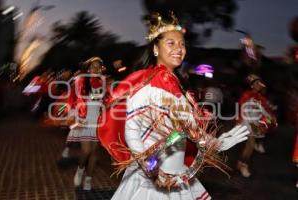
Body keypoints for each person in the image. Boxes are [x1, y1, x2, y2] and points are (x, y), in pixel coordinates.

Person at [99, 12, 249, 200]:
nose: (179, 48)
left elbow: (193, 133)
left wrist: (218, 143)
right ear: (155, 48)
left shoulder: (183, 93)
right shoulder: (145, 85)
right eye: (171, 43)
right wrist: (150, 169)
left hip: (181, 179)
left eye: (182, 43)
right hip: (150, 182)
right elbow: (132, 131)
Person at [66, 57, 106, 190]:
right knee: (86, 151)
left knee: (95, 153)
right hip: (84, 120)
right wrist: (73, 116)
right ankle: (80, 169)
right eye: (94, 66)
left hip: (98, 121)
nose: (96, 69)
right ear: (88, 68)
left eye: (99, 67)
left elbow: (107, 102)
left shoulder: (103, 83)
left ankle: (88, 179)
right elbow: (72, 99)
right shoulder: (80, 81)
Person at [236, 74, 277, 178]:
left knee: (249, 147)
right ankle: (243, 166)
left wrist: (270, 118)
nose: (259, 85)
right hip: (246, 123)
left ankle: (241, 164)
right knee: (250, 144)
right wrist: (250, 124)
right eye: (257, 83)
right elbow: (243, 110)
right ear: (252, 85)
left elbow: (263, 111)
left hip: (254, 124)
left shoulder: (259, 97)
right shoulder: (247, 95)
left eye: (260, 83)